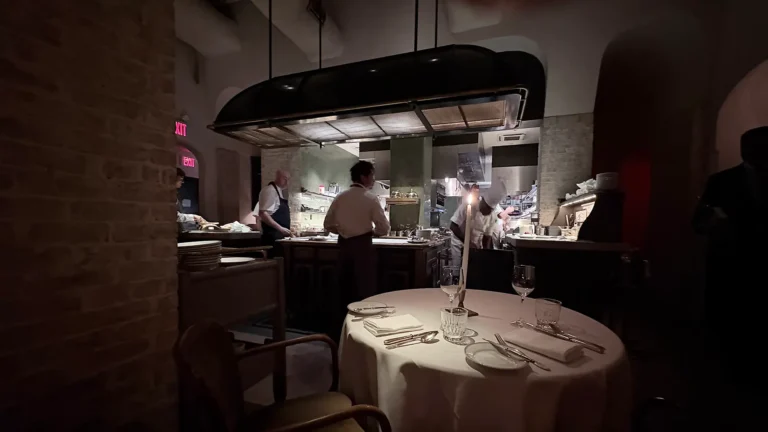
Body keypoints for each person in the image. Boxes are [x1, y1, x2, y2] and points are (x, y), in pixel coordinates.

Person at [692, 126, 768, 428]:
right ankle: (723, 396)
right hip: (730, 266)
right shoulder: (722, 182)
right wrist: (714, 223)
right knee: (728, 326)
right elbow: (698, 222)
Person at [324, 161, 390, 303]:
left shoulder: (340, 198)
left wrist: (342, 229)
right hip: (363, 247)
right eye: (372, 175)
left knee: (344, 288)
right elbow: (384, 228)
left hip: (343, 246)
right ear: (363, 177)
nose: (373, 179)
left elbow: (328, 225)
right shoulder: (370, 198)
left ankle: (342, 321)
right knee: (364, 288)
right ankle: (362, 321)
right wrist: (374, 232)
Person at [449, 180, 507, 266]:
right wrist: (467, 241)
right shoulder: (467, 206)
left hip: (474, 247)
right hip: (459, 243)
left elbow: (487, 238)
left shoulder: (492, 216)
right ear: (482, 200)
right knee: (458, 271)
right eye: (486, 207)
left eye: (490, 210)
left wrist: (486, 255)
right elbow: (453, 226)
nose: (487, 212)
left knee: (473, 270)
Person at [258, 169, 293, 253]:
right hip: (272, 237)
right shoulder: (270, 190)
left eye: (288, 179)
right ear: (277, 177)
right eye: (284, 178)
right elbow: (263, 214)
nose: (287, 182)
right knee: (276, 261)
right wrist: (281, 228)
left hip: (279, 236)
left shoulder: (278, 191)